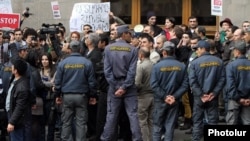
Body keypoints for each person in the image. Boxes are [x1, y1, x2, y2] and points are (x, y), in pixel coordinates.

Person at [101, 25, 142, 141]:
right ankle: (137, 139)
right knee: (133, 115)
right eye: (129, 33)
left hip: (113, 86)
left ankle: (106, 138)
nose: (131, 36)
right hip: (129, 87)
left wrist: (116, 86)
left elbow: (107, 71)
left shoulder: (108, 48)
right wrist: (124, 87)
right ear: (124, 34)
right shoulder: (133, 49)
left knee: (111, 116)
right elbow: (132, 71)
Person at [54, 40, 97, 141]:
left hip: (67, 96)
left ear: (70, 50)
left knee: (66, 122)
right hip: (81, 96)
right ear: (81, 49)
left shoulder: (63, 63)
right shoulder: (87, 63)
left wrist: (57, 95)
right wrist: (93, 96)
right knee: (81, 122)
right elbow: (92, 82)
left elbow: (58, 81)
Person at [150, 41, 188, 141]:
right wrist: (174, 96)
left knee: (157, 127)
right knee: (170, 126)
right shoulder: (182, 66)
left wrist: (165, 97)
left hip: (160, 100)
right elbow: (185, 85)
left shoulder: (157, 66)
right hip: (174, 101)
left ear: (164, 52)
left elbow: (154, 85)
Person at [189, 40, 225, 141]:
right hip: (212, 97)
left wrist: (201, 95)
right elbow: (222, 79)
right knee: (213, 121)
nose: (197, 52)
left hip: (199, 97)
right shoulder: (219, 61)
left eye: (198, 49)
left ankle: (196, 139)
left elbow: (192, 81)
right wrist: (214, 93)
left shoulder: (195, 62)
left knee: (197, 121)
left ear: (203, 49)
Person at [225, 41, 250, 125]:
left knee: (232, 123)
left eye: (234, 50)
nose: (233, 52)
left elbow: (230, 85)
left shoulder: (231, 65)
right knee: (247, 122)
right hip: (248, 100)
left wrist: (238, 99)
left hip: (234, 100)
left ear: (237, 51)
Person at [5, 59, 30, 141]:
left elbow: (19, 107)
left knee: (17, 137)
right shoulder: (15, 80)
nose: (11, 67)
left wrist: (12, 122)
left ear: (16, 71)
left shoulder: (22, 87)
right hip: (12, 113)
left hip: (17, 119)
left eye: (13, 66)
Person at [135, 48, 154, 141]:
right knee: (151, 120)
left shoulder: (140, 66)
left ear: (141, 55)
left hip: (143, 96)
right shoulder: (154, 65)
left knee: (142, 122)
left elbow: (137, 83)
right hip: (153, 95)